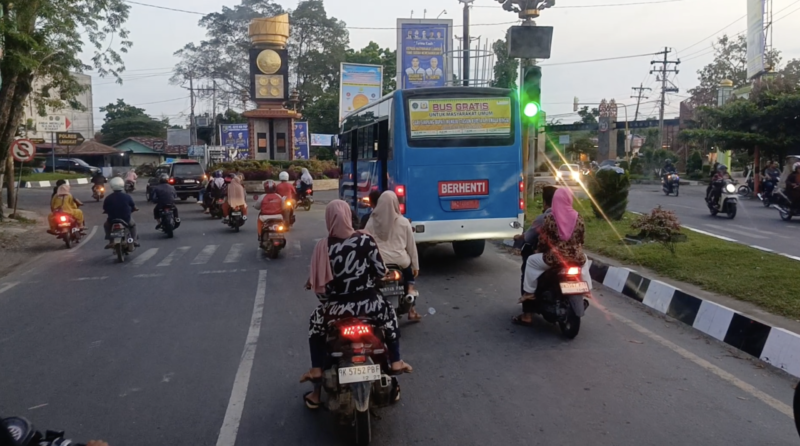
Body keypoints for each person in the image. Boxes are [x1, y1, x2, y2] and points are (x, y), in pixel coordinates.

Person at [300, 200, 412, 409]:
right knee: (390, 318)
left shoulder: (323, 246)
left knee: (315, 326)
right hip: (369, 304)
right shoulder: (365, 240)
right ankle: (396, 361)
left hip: (337, 309)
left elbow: (318, 286)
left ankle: (316, 370)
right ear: (348, 217)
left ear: (329, 219)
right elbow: (380, 271)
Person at [515, 188, 590, 325]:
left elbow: (545, 240)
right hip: (575, 256)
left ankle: (529, 292)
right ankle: (587, 289)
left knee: (531, 261)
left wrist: (539, 250)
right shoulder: (578, 217)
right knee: (585, 262)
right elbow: (581, 239)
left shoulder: (550, 218)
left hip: (554, 258)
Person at [365, 191, 422, 321]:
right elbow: (411, 246)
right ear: (395, 203)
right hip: (400, 261)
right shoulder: (403, 222)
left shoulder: (372, 221)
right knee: (408, 273)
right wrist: (416, 266)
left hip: (380, 262)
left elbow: (366, 241)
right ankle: (411, 303)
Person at [513, 186, 557, 295]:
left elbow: (529, 236)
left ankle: (528, 300)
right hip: (573, 255)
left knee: (530, 262)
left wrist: (518, 238)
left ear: (545, 202)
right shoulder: (574, 216)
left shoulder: (545, 218)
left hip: (551, 256)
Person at [103, 177, 139, 248]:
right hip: (126, 219)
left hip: (112, 219)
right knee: (133, 225)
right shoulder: (127, 196)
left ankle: (110, 241)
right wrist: (134, 209)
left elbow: (105, 208)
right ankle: (134, 240)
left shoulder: (108, 198)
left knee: (106, 225)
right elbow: (133, 206)